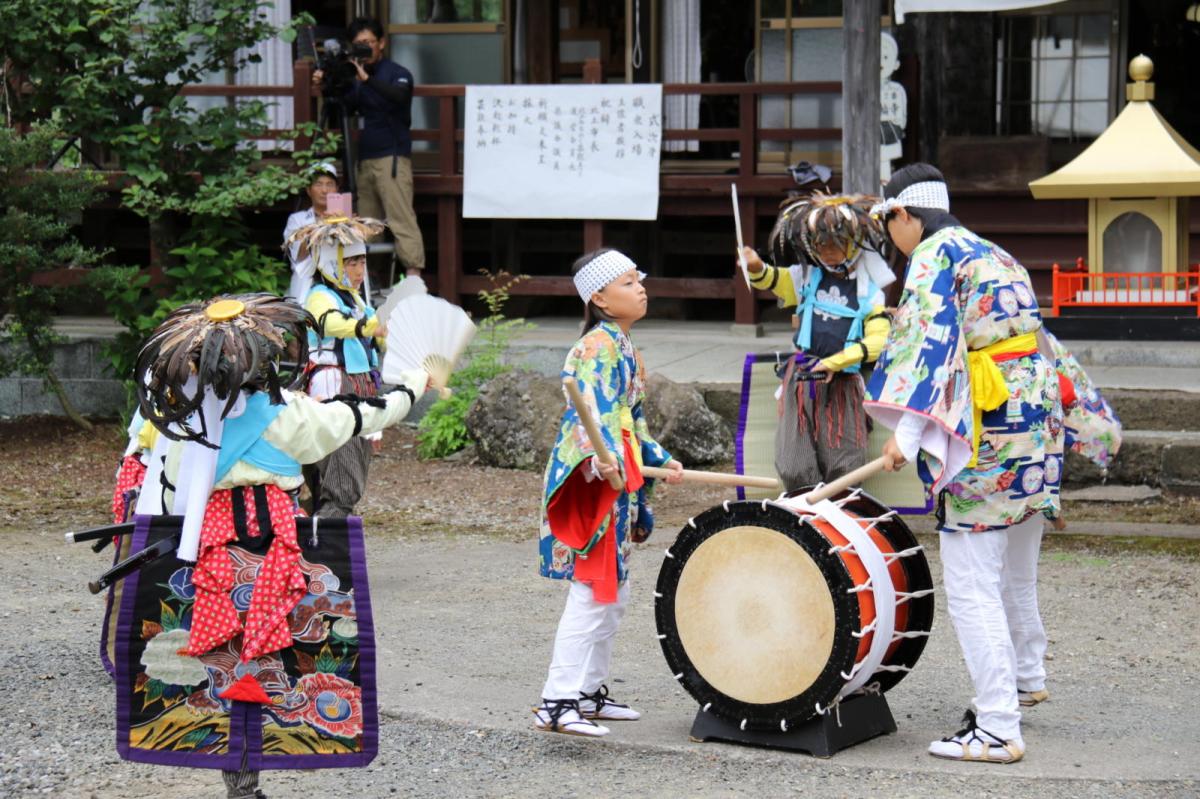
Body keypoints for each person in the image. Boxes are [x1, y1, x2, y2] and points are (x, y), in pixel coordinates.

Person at [123, 293, 429, 799]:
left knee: (220, 663)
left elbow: (168, 487)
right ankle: (258, 765)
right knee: (284, 656)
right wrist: (415, 384)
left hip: (208, 555)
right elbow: (364, 414)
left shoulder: (181, 424)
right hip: (278, 553)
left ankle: (237, 777)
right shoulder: (289, 415)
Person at [865, 163, 1063, 764]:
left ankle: (999, 726)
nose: (891, 240)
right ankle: (1026, 678)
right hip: (1033, 420)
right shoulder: (993, 250)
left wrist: (907, 429)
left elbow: (927, 345)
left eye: (888, 225)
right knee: (1018, 568)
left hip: (988, 425)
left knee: (973, 579)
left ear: (905, 214)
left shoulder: (932, 256)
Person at [533, 248, 684, 737]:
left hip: (621, 476)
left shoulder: (626, 349)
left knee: (613, 594)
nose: (640, 287)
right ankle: (556, 701)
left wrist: (659, 460)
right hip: (597, 480)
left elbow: (631, 422)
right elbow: (588, 420)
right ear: (598, 297)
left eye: (638, 280)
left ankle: (589, 692)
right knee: (591, 593)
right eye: (626, 282)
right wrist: (605, 462)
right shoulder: (594, 347)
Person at [738, 192, 895, 492]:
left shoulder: (869, 292)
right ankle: (804, 518)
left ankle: (840, 520)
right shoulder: (807, 277)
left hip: (843, 384)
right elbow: (775, 280)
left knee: (844, 463)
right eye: (821, 243)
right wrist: (756, 266)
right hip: (801, 380)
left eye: (836, 242)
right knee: (793, 463)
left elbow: (879, 340)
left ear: (854, 241)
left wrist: (838, 361)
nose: (828, 250)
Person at [292, 214, 389, 517]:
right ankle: (324, 548)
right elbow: (330, 323)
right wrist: (370, 326)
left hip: (361, 388)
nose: (360, 271)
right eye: (352, 263)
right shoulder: (319, 296)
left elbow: (374, 341)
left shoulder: (357, 300)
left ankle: (320, 543)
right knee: (341, 478)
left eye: (362, 262)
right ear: (332, 263)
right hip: (333, 387)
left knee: (346, 475)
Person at [312, 17, 425, 278]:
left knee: (400, 218)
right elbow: (343, 105)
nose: (363, 49)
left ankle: (414, 279)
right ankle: (368, 280)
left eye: (368, 43)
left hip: (392, 158)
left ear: (381, 43)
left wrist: (366, 78)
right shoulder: (354, 78)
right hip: (364, 160)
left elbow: (399, 97)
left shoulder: (396, 73)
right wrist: (326, 84)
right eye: (358, 44)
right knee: (367, 222)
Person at [282, 162, 339, 302]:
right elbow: (297, 255)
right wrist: (322, 225)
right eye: (318, 184)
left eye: (329, 184)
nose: (324, 190)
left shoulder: (345, 219)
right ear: (309, 190)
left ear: (336, 189)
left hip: (338, 287)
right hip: (306, 287)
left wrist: (343, 223)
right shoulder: (297, 220)